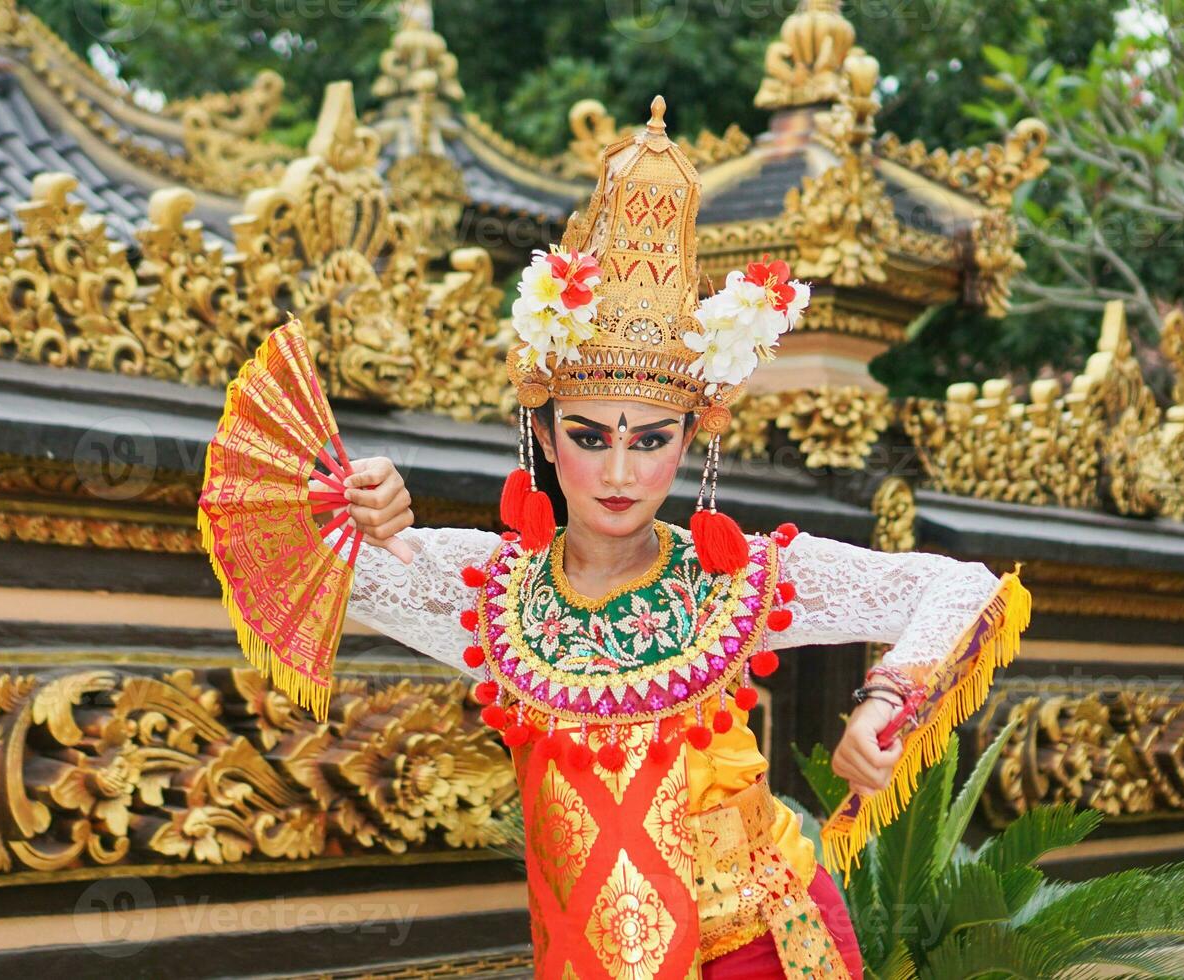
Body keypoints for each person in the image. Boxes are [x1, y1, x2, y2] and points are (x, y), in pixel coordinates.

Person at [220, 97, 1028, 979]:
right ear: (545, 434)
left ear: (690, 443)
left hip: (757, 951)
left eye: (650, 441)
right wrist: (358, 498)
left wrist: (886, 706)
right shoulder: (488, 594)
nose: (617, 474)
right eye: (590, 436)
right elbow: (276, 541)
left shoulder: (741, 582)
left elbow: (962, 586)